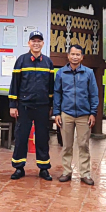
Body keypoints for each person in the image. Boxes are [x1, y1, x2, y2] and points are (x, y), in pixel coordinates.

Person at [8, 30, 55, 180]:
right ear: (29, 43)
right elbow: (14, 84)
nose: (36, 43)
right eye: (33, 40)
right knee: (21, 137)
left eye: (39, 41)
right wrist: (12, 105)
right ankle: (19, 168)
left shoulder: (48, 63)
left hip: (42, 106)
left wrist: (52, 105)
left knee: (42, 138)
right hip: (24, 106)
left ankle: (43, 168)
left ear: (42, 43)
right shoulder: (21, 61)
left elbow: (51, 87)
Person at [53, 44, 99, 185]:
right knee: (66, 145)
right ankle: (67, 171)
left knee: (83, 145)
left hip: (84, 115)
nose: (75, 57)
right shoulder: (61, 73)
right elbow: (57, 93)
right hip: (66, 113)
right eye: (72, 54)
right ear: (68, 56)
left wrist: (93, 113)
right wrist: (57, 113)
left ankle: (85, 173)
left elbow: (94, 94)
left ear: (82, 57)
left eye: (78, 54)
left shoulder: (88, 73)